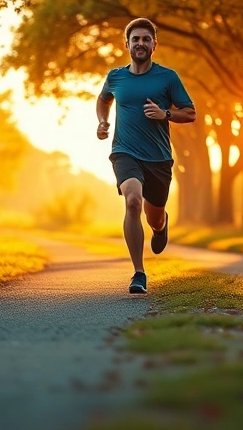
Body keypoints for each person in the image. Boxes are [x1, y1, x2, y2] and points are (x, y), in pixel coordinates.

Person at [96, 18, 196, 294]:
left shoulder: (167, 77)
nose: (140, 43)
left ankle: (160, 225)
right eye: (135, 39)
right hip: (124, 152)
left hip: (159, 159)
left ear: (154, 45)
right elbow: (104, 99)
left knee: (154, 216)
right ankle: (139, 273)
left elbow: (190, 112)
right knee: (131, 202)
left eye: (145, 39)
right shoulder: (116, 76)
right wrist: (102, 122)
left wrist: (165, 114)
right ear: (127, 44)